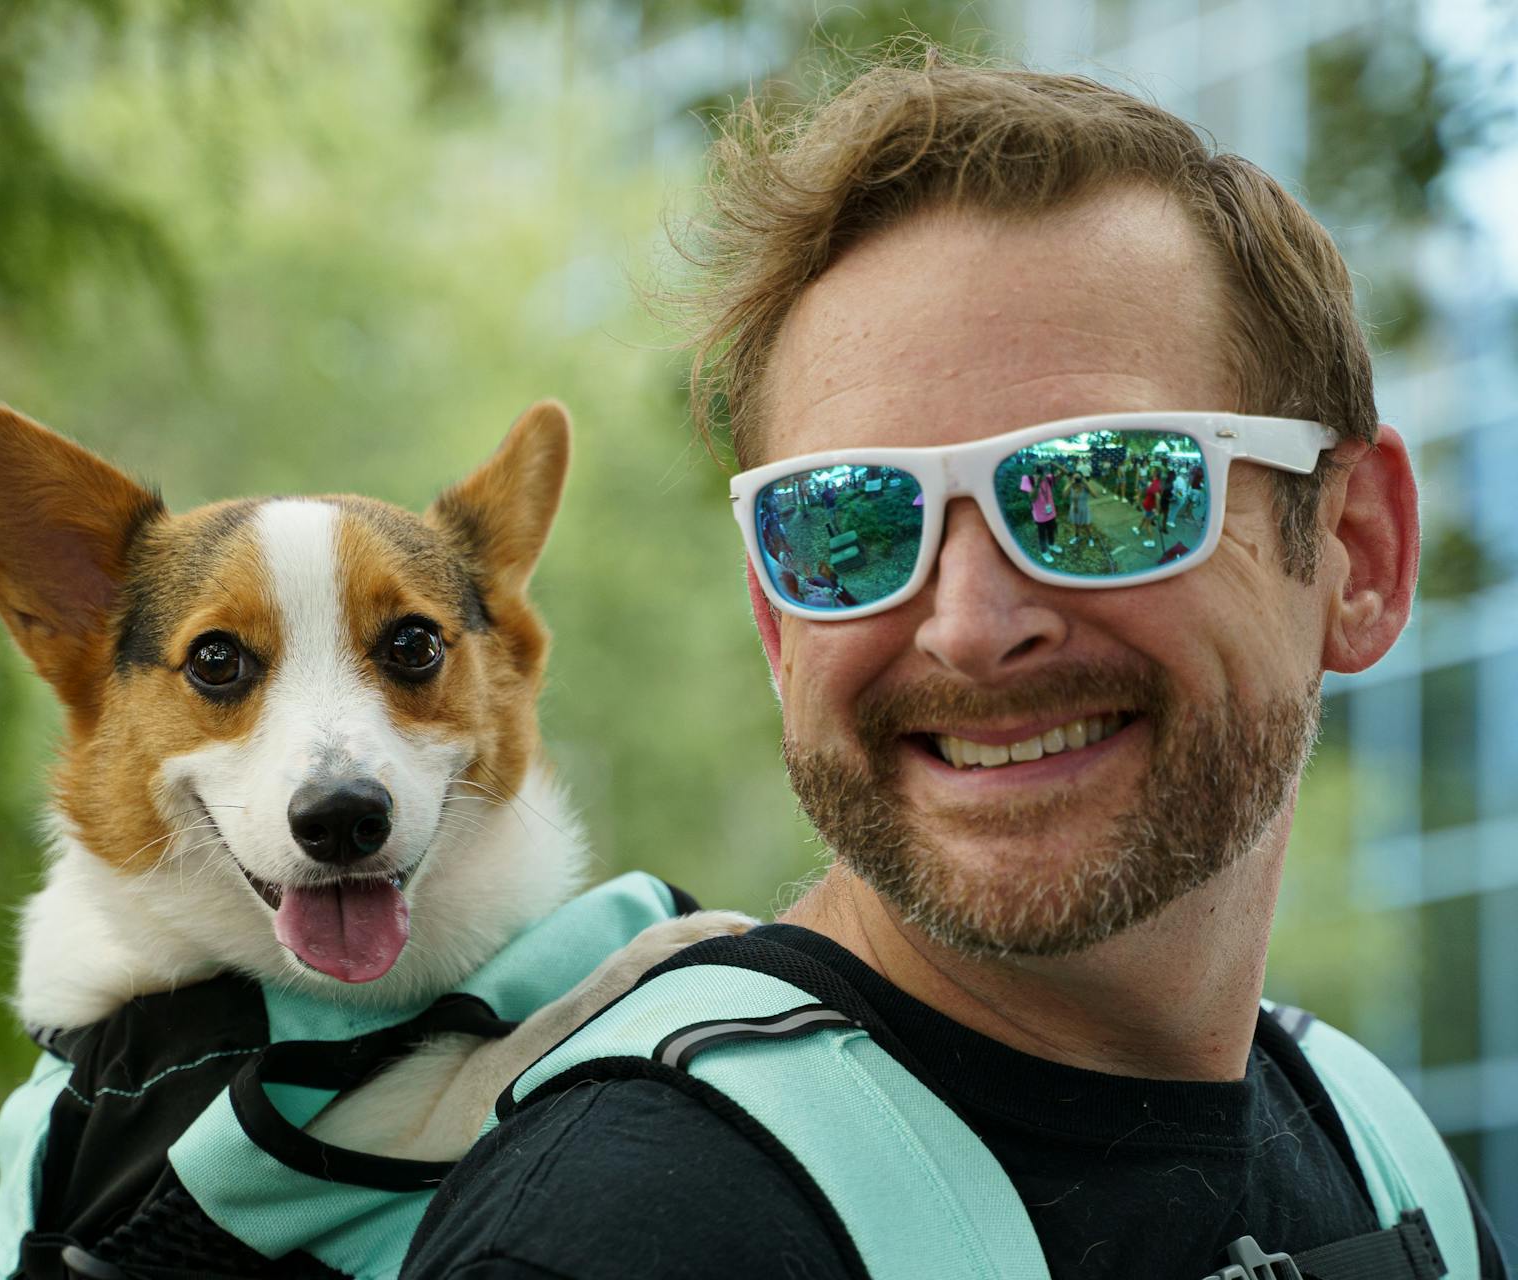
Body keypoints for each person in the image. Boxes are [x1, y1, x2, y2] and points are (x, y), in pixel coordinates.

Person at [404, 55, 1508, 1280]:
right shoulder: (624, 1234)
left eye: (1103, 490)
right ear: (778, 623)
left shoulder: (1390, 1162)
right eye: (848, 526)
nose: (972, 625)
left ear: (1358, 553)